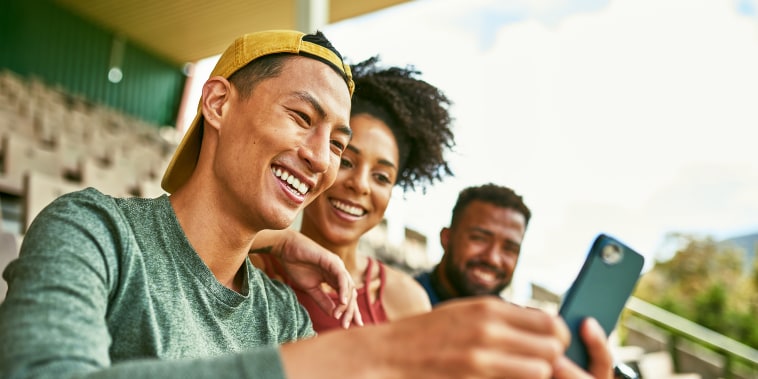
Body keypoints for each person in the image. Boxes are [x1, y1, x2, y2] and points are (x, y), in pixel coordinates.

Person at [0, 29, 614, 379]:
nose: (323, 159)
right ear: (217, 105)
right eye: (301, 117)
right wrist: (371, 352)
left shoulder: (283, 314)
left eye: (337, 142)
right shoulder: (93, 230)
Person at [251, 56, 455, 331]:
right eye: (345, 161)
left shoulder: (406, 302)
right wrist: (282, 242)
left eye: (381, 177)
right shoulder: (251, 267)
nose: (360, 185)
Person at [415, 183, 530, 306]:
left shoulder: (510, 322)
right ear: (446, 238)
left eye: (509, 249)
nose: (493, 259)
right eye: (479, 239)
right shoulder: (399, 309)